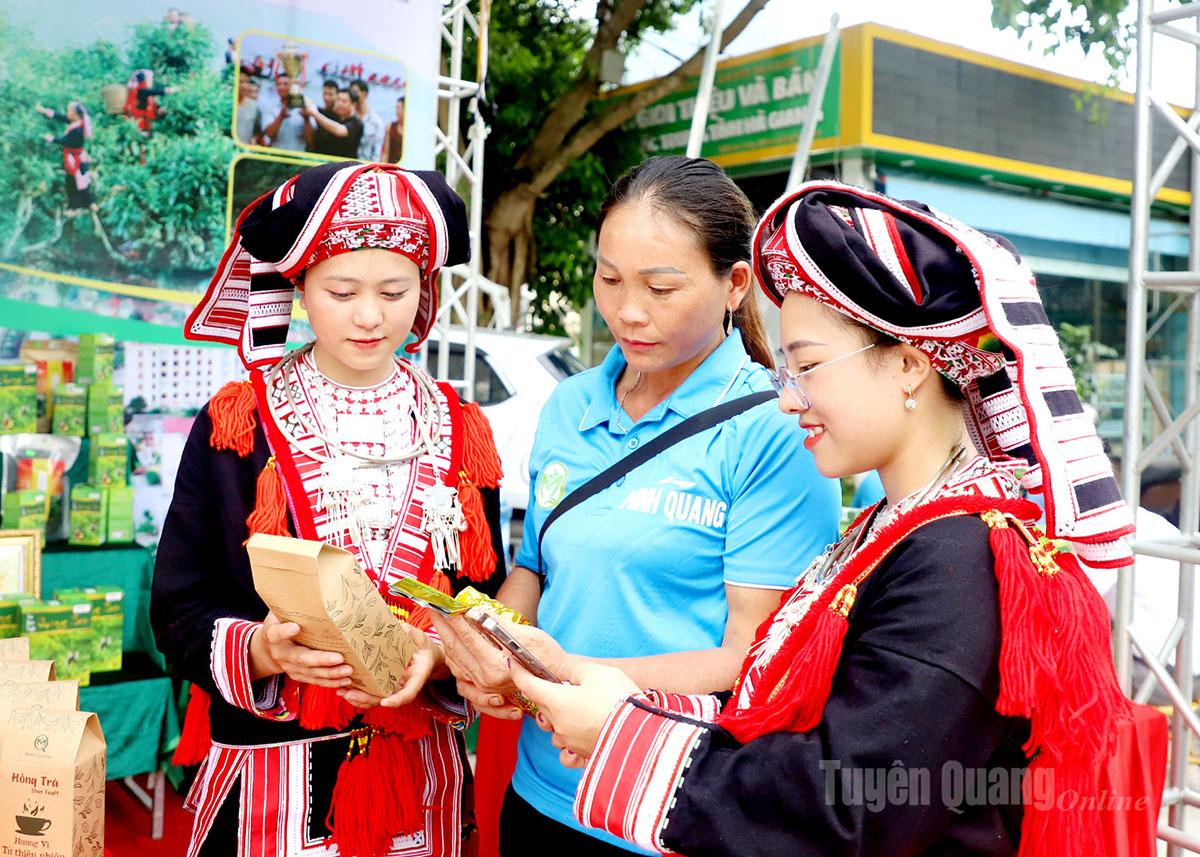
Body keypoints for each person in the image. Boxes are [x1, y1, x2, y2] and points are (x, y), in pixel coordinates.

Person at [458, 181, 1141, 854]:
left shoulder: (958, 561)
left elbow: (855, 804)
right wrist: (608, 702)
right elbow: (783, 718)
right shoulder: (897, 530)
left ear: (907, 364)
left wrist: (620, 725)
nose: (787, 400)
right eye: (785, 368)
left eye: (807, 366)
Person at [435, 156, 841, 856]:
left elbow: (754, 656)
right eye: (609, 278)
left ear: (733, 284)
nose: (627, 310)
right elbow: (536, 566)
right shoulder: (570, 404)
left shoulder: (775, 427)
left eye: (660, 287)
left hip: (666, 805)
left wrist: (560, 670)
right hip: (539, 790)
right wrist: (489, 643)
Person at [152, 162, 507, 857]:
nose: (370, 315)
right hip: (269, 780)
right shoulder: (239, 424)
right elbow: (178, 605)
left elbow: (484, 595)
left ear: (424, 290)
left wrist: (439, 656)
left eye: (395, 290)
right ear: (300, 288)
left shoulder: (461, 428)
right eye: (342, 290)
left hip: (420, 782)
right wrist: (260, 647)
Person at [35, 101, 96, 214]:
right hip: (78, 157)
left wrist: (51, 138)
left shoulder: (77, 130)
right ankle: (90, 203)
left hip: (74, 158)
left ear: (75, 114)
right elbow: (60, 117)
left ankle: (76, 207)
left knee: (73, 182)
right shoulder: (78, 122)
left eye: (69, 111)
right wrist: (43, 110)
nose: (67, 113)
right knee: (81, 181)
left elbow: (67, 142)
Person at [304, 88, 363, 160]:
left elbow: (340, 131)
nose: (339, 104)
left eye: (344, 101)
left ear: (353, 104)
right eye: (338, 100)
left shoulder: (356, 123)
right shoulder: (330, 116)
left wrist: (315, 114)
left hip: (344, 166)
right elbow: (310, 105)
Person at [260, 72, 307, 151]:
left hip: (298, 156)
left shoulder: (305, 107)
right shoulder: (270, 107)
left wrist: (307, 119)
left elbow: (311, 141)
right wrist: (280, 117)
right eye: (278, 84)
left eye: (285, 84)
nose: (281, 87)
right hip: (276, 155)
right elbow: (268, 134)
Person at [350, 78, 386, 161]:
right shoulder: (347, 116)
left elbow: (377, 150)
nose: (352, 95)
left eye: (355, 92)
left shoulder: (376, 122)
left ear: (365, 94)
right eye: (350, 92)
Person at [234, 75, 262, 144]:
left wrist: (254, 139)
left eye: (256, 92)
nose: (253, 95)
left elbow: (257, 130)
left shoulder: (256, 108)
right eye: (250, 92)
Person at [381, 95, 405, 164]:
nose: (397, 111)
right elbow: (385, 151)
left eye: (399, 108)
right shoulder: (390, 126)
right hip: (391, 166)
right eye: (396, 108)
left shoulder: (412, 129)